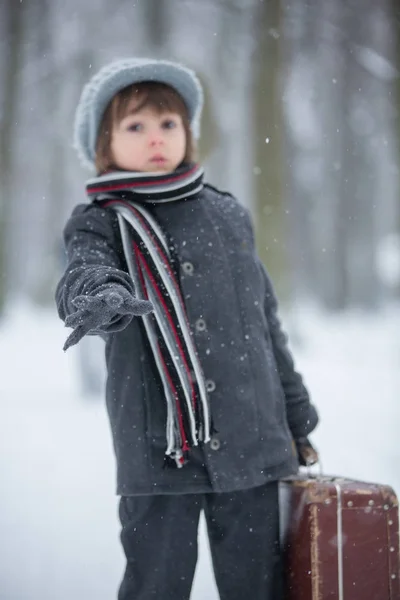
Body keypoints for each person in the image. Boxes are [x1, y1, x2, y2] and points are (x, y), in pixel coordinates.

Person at [55, 58, 319, 600]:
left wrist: (298, 415)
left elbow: (266, 325)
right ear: (104, 144)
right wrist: (98, 296)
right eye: (136, 126)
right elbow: (83, 271)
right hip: (159, 451)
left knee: (258, 586)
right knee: (156, 583)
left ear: (188, 133)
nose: (156, 137)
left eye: (168, 124)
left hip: (254, 445)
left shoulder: (227, 214)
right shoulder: (101, 221)